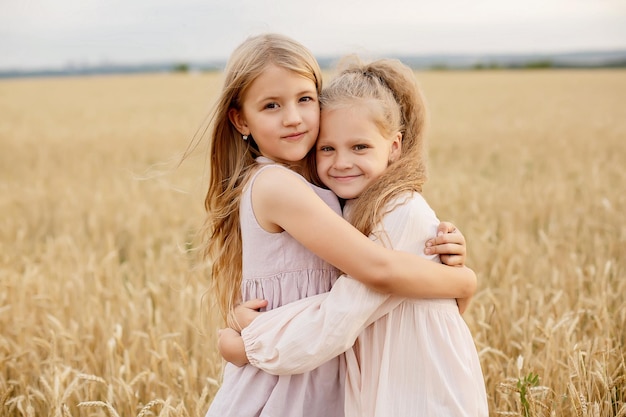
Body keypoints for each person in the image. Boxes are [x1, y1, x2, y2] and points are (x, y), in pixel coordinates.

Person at [200, 33, 477, 417]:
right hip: (285, 383)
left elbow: (390, 294)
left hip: (316, 369)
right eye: (271, 105)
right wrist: (464, 282)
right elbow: (378, 269)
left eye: (304, 99)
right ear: (240, 119)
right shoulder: (276, 185)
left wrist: (437, 254)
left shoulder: (327, 186)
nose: (293, 117)